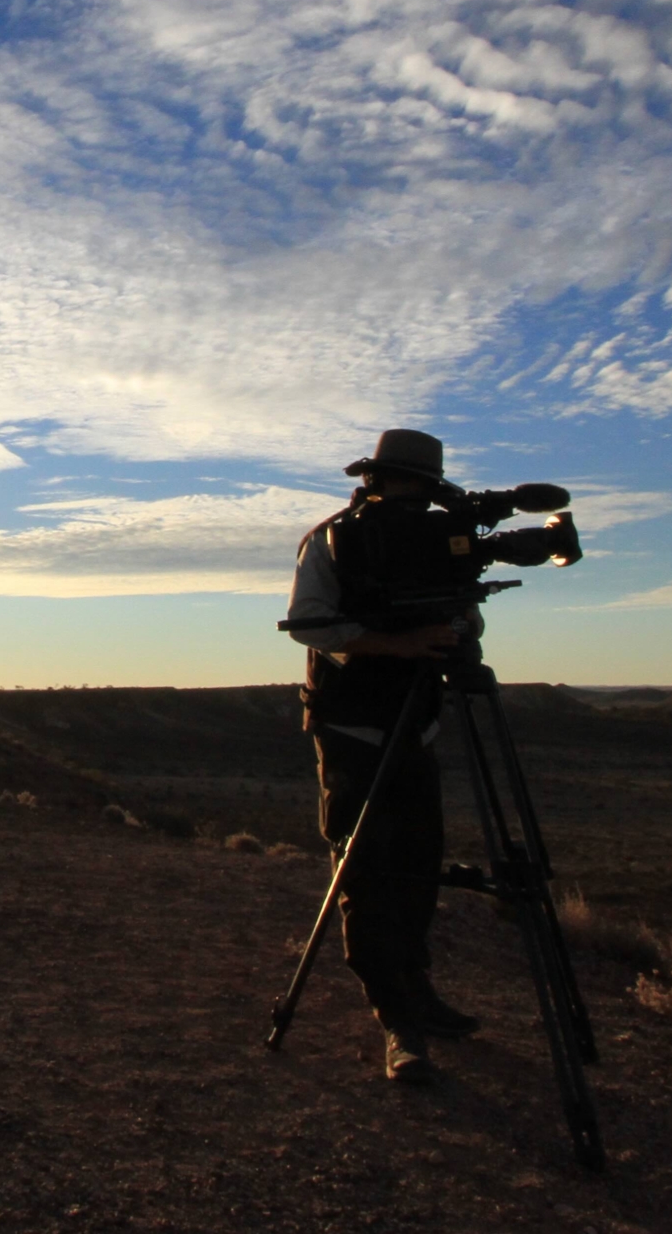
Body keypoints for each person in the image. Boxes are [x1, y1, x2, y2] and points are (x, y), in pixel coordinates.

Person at [284, 428, 484, 1086]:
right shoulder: (333, 539)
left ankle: (417, 987)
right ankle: (397, 1020)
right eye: (402, 484)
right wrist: (395, 645)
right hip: (353, 727)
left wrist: (455, 630)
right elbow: (309, 623)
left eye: (420, 488)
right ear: (373, 480)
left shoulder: (436, 538)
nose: (411, 498)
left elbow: (462, 616)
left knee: (420, 861)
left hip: (417, 724)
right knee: (365, 867)